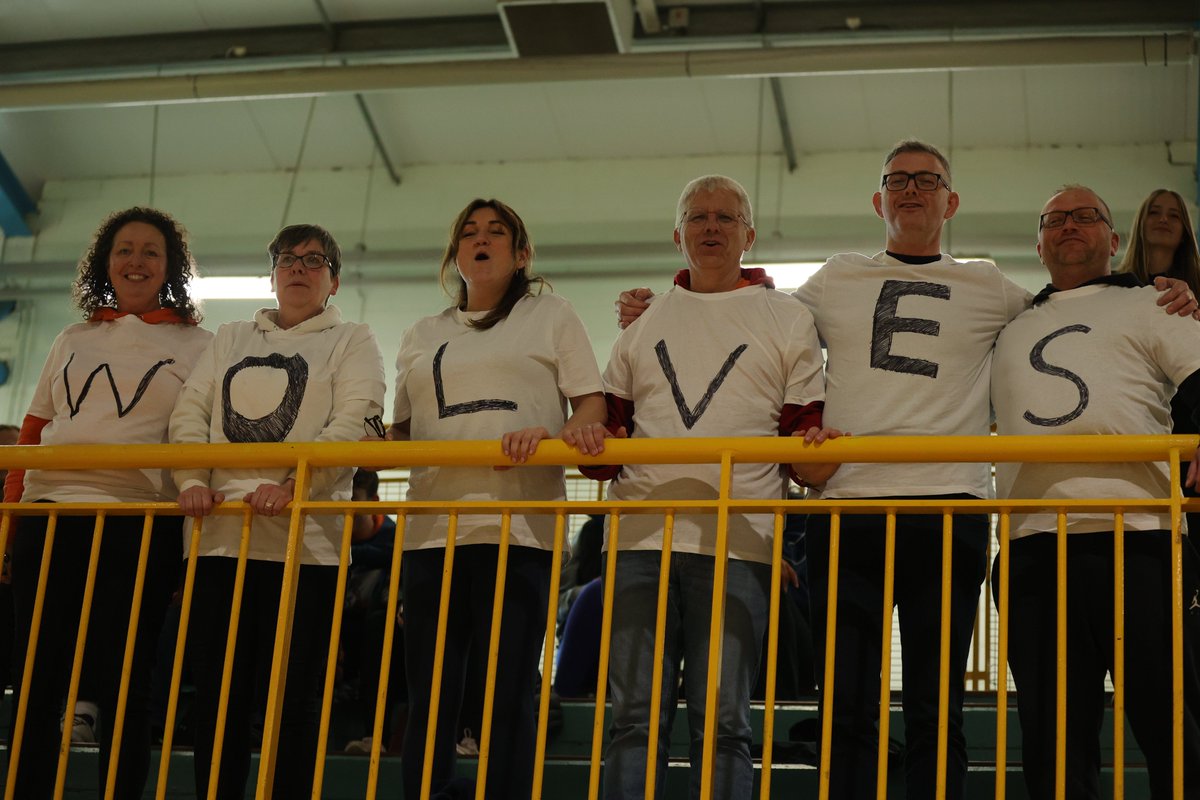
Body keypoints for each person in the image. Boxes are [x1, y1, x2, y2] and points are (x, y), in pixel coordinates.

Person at [614, 143, 1198, 800]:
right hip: (848, 507)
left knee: (935, 708)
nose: (912, 190)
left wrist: (1159, 289)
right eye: (898, 180)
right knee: (847, 707)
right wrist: (663, 302)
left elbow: (1074, 301)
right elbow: (746, 313)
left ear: (951, 202)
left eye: (928, 180)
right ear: (878, 201)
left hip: (949, 511)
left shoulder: (992, 287)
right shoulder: (835, 277)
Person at [585, 174, 836, 799]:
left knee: (725, 726)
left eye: (726, 216)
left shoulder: (787, 318)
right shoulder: (640, 323)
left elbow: (805, 428)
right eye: (697, 217)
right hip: (639, 539)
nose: (711, 226)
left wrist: (814, 454)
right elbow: (607, 436)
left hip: (740, 544)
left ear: (749, 234)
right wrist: (586, 440)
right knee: (632, 721)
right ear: (677, 235)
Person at [389, 198, 607, 799]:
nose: (480, 241)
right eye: (468, 233)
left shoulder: (550, 315)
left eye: (496, 233)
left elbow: (590, 405)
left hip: (518, 528)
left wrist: (557, 433)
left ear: (521, 253)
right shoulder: (421, 334)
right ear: (455, 253)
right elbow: (400, 433)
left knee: (507, 691)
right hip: (433, 530)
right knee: (430, 695)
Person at [991, 183, 1200, 800]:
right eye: (1054, 218)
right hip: (1033, 549)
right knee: (1054, 742)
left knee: (1171, 728)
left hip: (1142, 539)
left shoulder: (1156, 303)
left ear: (1114, 239)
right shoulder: (1009, 324)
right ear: (1038, 241)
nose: (1069, 226)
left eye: (1087, 217)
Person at [170, 223, 385, 799]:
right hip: (219, 538)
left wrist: (295, 485)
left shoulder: (353, 339)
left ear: (333, 280)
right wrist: (191, 479)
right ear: (271, 275)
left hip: (306, 546)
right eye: (288, 259)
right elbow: (190, 410)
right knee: (219, 698)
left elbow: (353, 420)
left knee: (294, 699)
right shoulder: (232, 336)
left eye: (314, 260)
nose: (299, 267)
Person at [3, 207, 211, 798]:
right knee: (38, 677)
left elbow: (200, 436)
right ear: (105, 262)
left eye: (151, 251)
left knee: (127, 679)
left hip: (135, 518)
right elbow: (34, 427)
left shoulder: (201, 343)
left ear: (170, 266)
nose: (136, 261)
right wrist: (13, 520)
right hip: (49, 513)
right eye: (124, 249)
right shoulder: (72, 337)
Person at [1118, 189, 1200, 534]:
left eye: (1174, 214)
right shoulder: (1116, 291)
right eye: (1155, 212)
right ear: (1141, 223)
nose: (1164, 219)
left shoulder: (1196, 290)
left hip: (1189, 426)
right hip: (1139, 429)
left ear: (1185, 229)